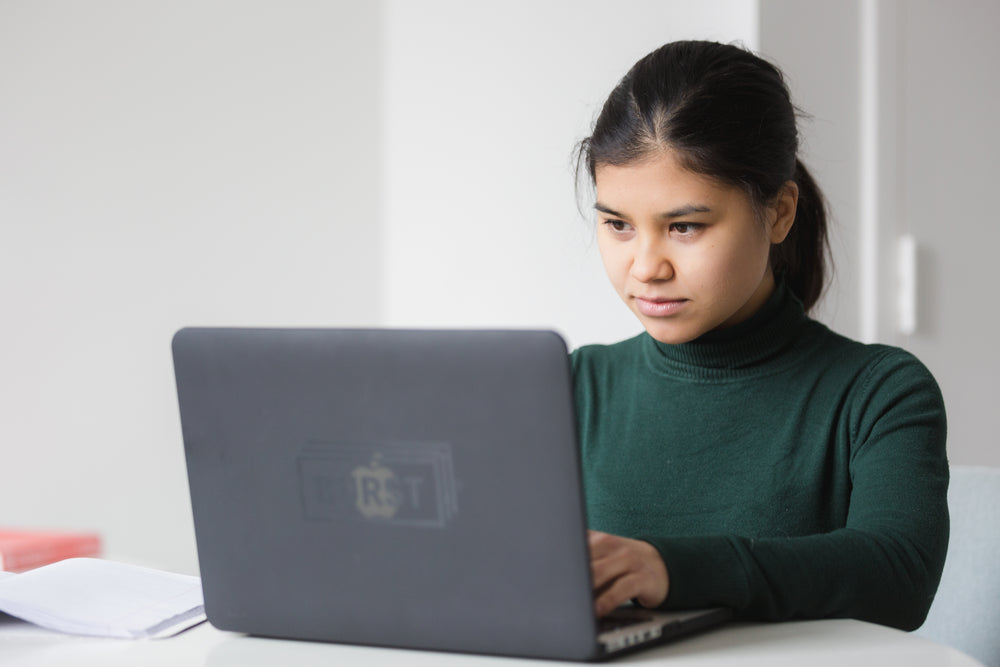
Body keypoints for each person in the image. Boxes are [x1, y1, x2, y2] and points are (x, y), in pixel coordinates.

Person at [571, 40, 948, 631]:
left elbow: (898, 575)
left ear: (779, 212)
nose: (645, 266)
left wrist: (672, 568)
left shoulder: (879, 392)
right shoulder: (574, 386)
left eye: (685, 226)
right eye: (617, 224)